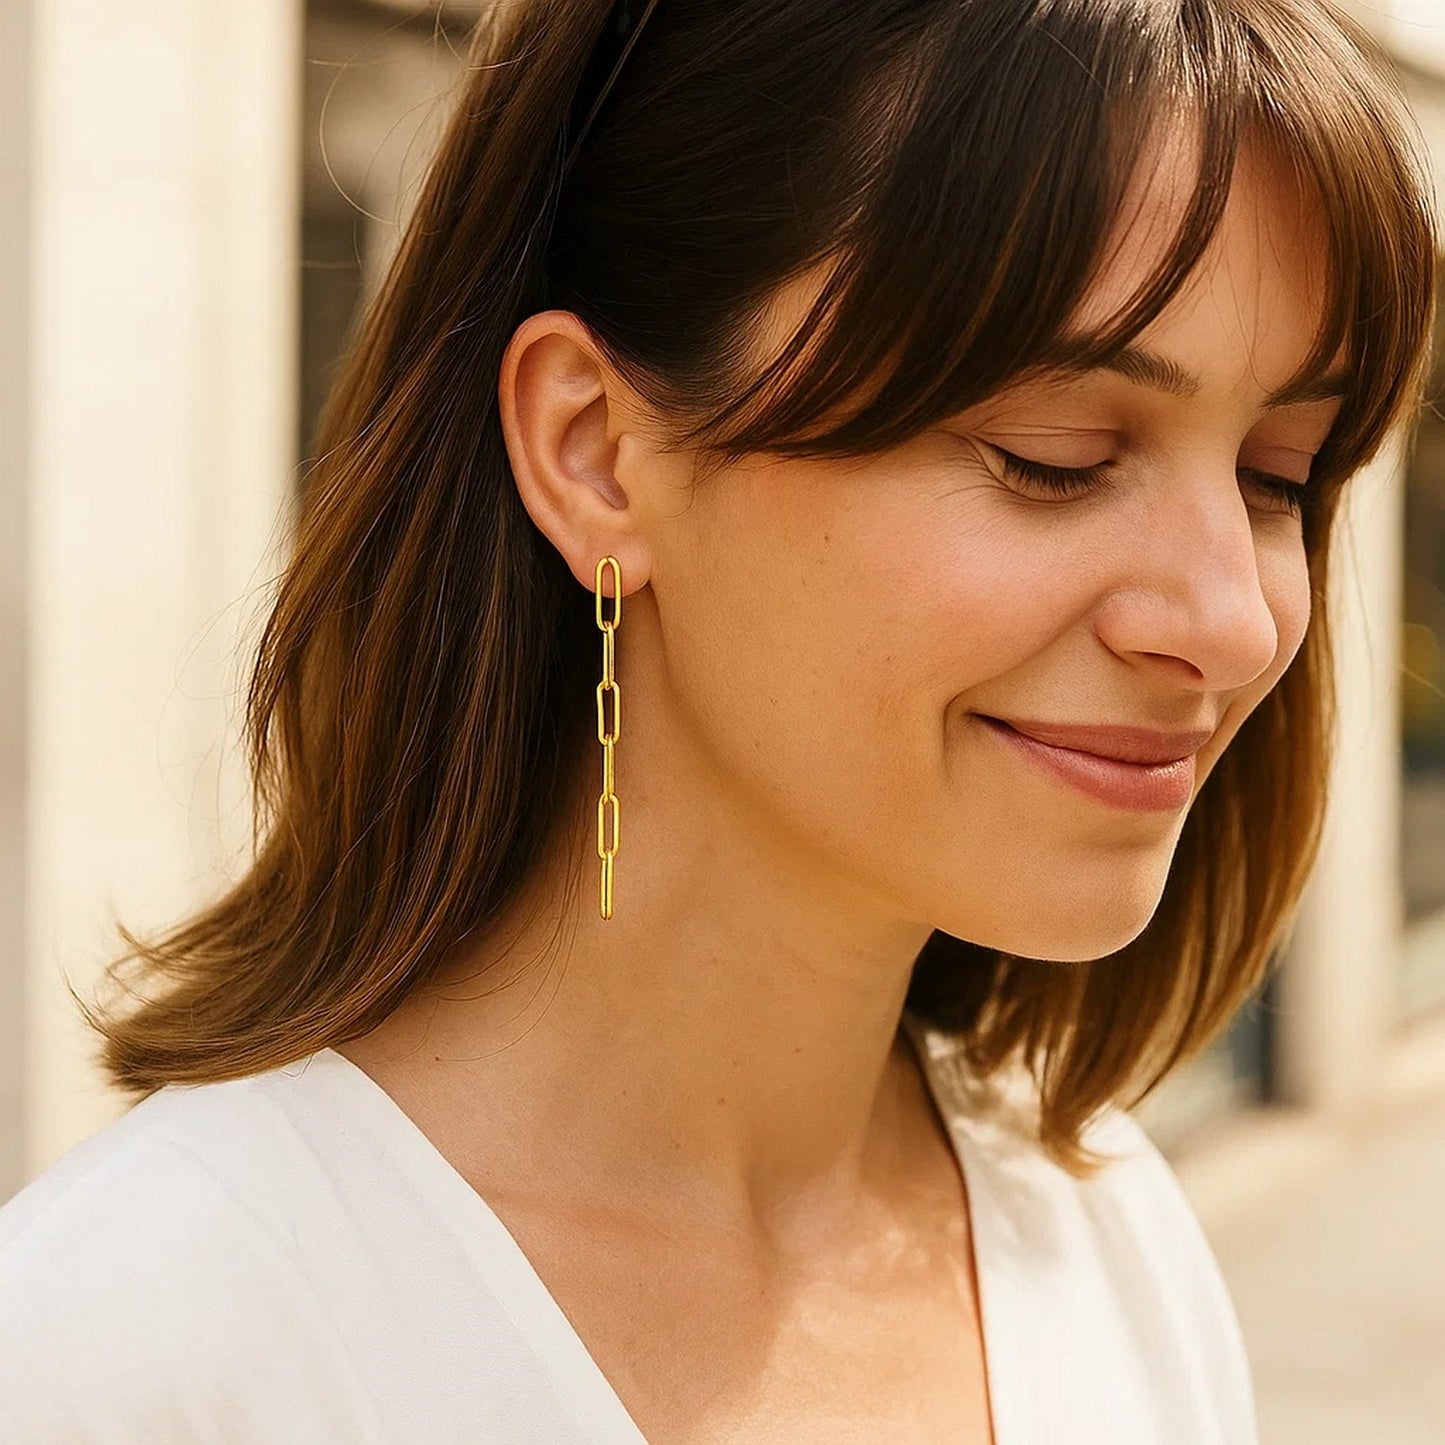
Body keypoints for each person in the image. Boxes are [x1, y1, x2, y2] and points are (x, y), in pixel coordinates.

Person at [0, 0, 1436, 1440]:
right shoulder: (137, 1346)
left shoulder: (1105, 1242)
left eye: (1278, 474)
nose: (1234, 620)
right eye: (1050, 456)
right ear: (598, 454)